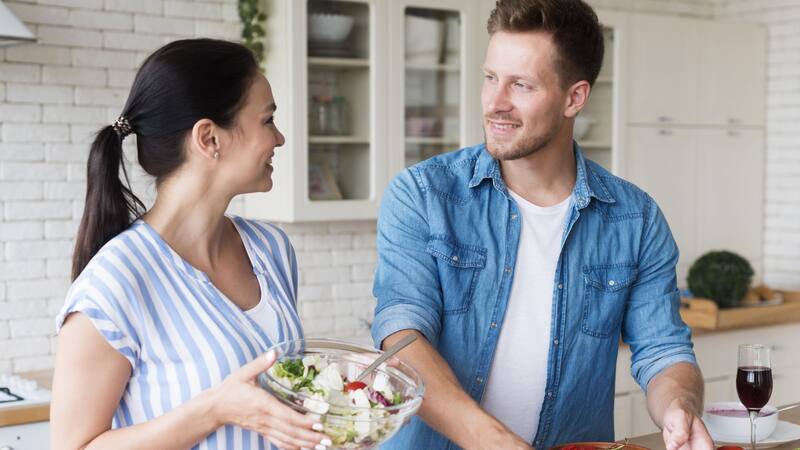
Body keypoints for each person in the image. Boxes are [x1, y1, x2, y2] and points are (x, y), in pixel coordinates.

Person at [371, 1, 714, 449]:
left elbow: (664, 351)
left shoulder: (636, 219)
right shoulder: (424, 195)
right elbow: (401, 338)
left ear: (575, 97)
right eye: (491, 77)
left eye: (522, 85)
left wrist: (679, 409)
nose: (495, 102)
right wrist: (495, 441)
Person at [50, 39, 332, 450]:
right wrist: (215, 409)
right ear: (209, 138)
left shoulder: (271, 249)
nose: (280, 138)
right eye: (267, 120)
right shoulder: (114, 283)